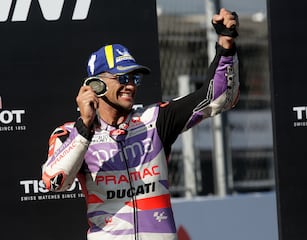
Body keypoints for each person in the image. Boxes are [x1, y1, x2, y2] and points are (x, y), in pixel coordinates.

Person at [42, 8, 240, 240]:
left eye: (134, 78)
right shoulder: (69, 133)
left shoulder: (155, 119)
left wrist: (226, 43)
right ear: (96, 84)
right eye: (122, 78)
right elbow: (54, 182)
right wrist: (84, 128)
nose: (131, 86)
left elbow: (220, 98)